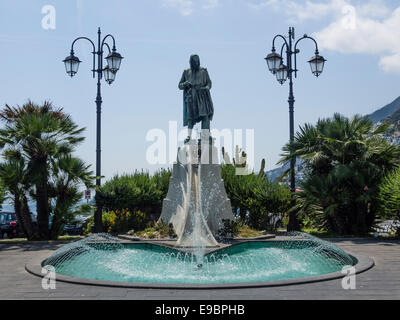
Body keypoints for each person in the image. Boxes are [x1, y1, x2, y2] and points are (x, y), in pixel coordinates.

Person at [179, 54, 214, 143]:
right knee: (190, 117)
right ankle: (189, 136)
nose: (195, 63)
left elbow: (209, 83)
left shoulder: (203, 71)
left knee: (204, 116)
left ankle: (205, 135)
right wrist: (185, 84)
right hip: (191, 97)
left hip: (202, 96)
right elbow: (179, 85)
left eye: (196, 62)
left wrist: (206, 87)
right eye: (193, 62)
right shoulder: (186, 72)